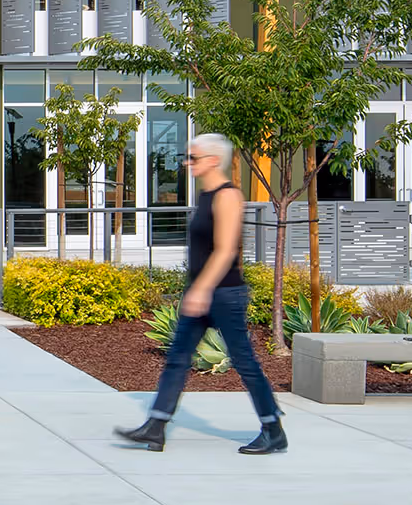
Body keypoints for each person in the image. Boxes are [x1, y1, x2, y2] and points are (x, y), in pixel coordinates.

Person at [115, 133, 286, 455]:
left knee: (244, 362)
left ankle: (273, 428)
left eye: (192, 157)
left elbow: (224, 251)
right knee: (177, 359)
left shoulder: (228, 196)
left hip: (225, 294)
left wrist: (202, 289)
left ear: (211, 160)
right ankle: (156, 427)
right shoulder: (206, 196)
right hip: (203, 292)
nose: (186, 162)